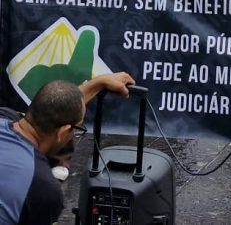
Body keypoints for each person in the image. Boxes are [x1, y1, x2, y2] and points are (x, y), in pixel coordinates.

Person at [0, 72, 135, 225]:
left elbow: (54, 106)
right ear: (64, 131)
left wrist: (99, 83)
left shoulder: (4, 116)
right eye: (77, 128)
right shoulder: (42, 188)